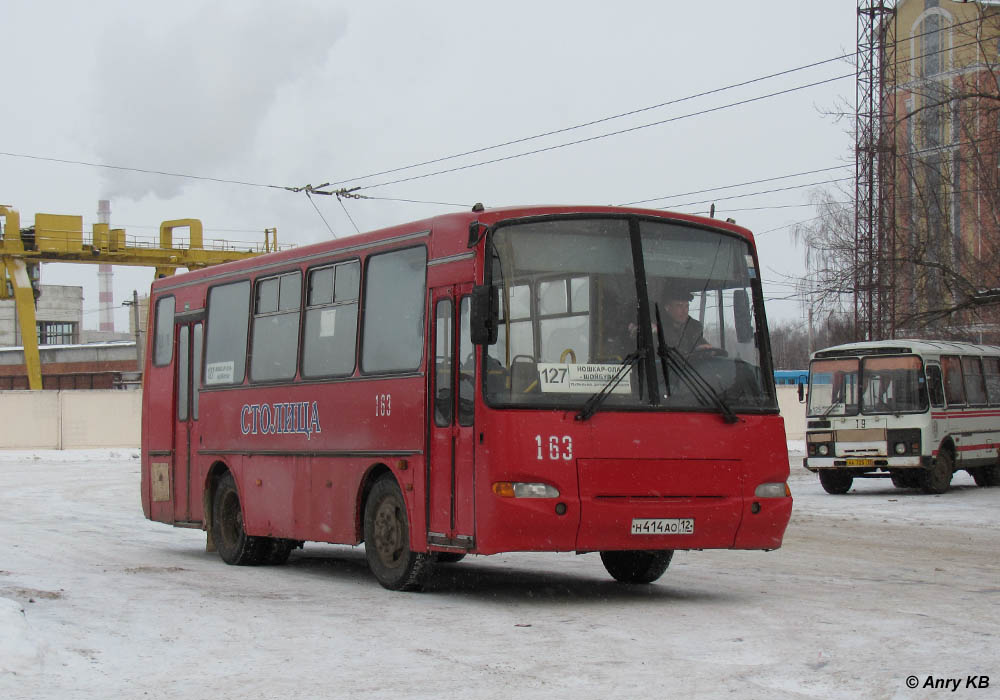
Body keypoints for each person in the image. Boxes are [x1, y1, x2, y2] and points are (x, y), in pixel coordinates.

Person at [658, 288, 711, 355]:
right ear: (667, 308)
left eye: (686, 306)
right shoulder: (659, 329)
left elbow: (699, 343)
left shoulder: (694, 328)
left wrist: (706, 349)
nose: (684, 311)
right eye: (679, 306)